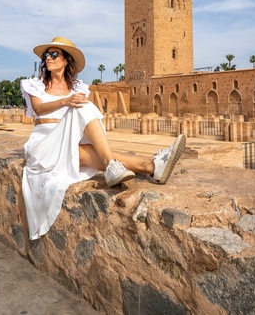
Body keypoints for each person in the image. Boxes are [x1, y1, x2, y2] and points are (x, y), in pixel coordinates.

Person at [20, 36, 186, 240]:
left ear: (66, 60)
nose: (49, 58)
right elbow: (38, 108)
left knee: (83, 147)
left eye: (54, 54)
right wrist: (66, 101)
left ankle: (151, 167)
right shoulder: (36, 85)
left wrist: (71, 99)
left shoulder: (77, 89)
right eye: (47, 55)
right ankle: (115, 164)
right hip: (43, 145)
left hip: (68, 143)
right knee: (82, 106)